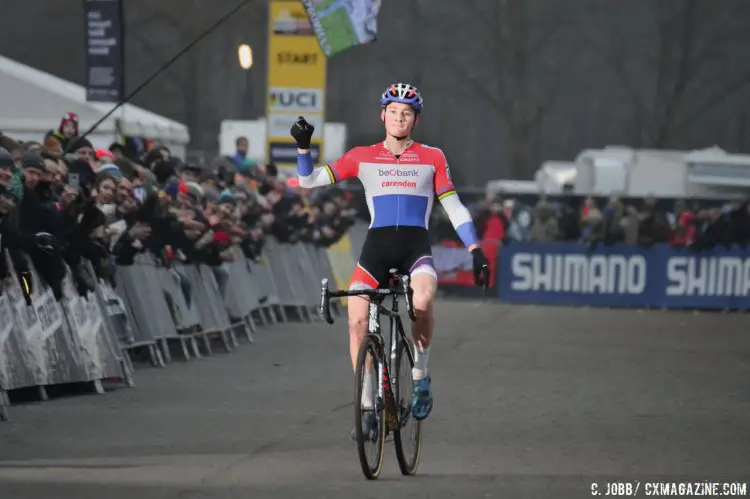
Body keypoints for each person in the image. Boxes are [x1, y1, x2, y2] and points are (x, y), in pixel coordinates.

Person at [290, 82, 489, 438]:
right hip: (375, 250)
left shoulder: (433, 157)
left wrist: (475, 249)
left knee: (424, 297)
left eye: (407, 113)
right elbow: (308, 181)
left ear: (415, 120)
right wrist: (303, 148)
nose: (400, 118)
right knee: (355, 319)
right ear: (383, 115)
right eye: (394, 112)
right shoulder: (362, 155)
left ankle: (420, 375)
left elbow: (454, 206)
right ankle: (367, 404)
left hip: (415, 248)